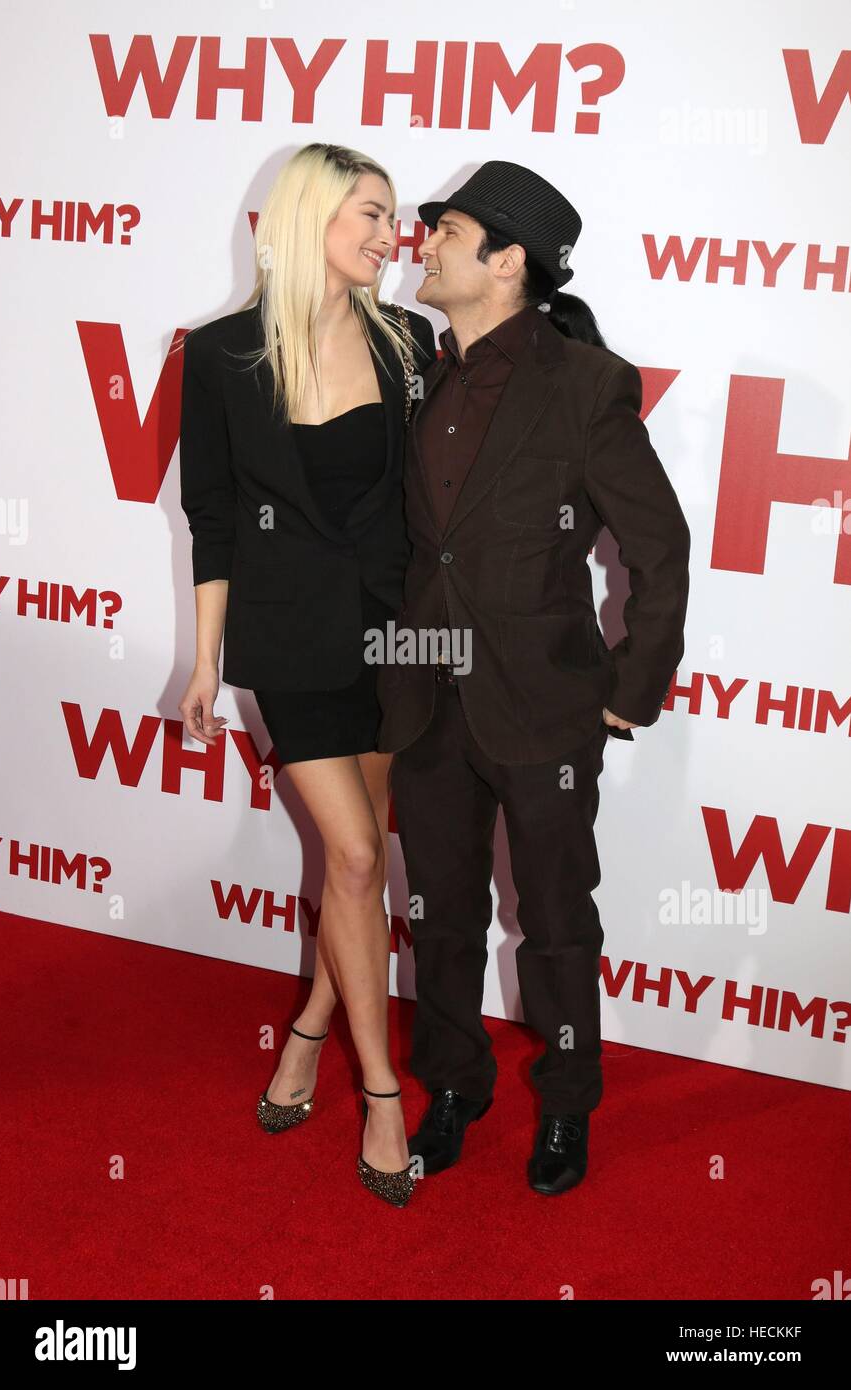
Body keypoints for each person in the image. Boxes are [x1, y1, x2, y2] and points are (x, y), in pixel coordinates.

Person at [376, 161, 691, 1194]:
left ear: (505, 262)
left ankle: (566, 1104)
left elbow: (660, 545)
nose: (421, 243)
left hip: (546, 703)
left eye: (445, 229)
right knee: (442, 912)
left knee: (555, 921)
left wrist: (626, 689)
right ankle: (455, 1085)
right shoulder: (413, 367)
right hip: (427, 691)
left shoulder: (585, 385)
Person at [177, 143, 436, 1208]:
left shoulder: (410, 341)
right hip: (288, 639)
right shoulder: (222, 353)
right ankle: (379, 1090)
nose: (391, 236)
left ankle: (309, 1028)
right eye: (370, 215)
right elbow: (214, 513)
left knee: (360, 860)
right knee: (355, 856)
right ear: (308, 217)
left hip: (397, 633)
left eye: (394, 219)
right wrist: (205, 656)